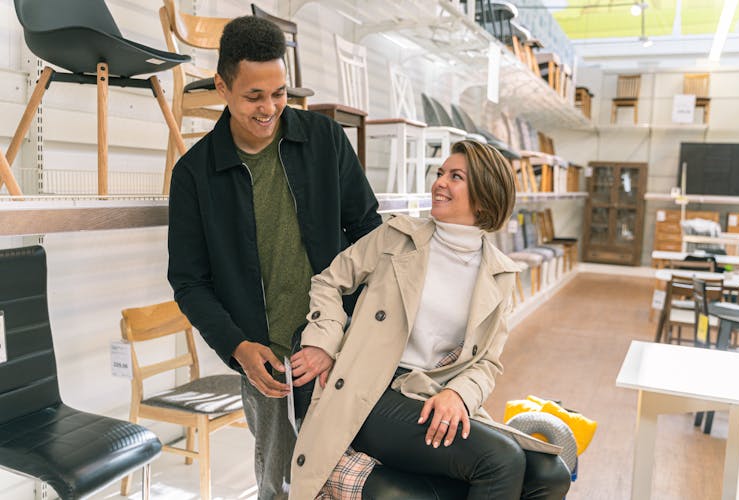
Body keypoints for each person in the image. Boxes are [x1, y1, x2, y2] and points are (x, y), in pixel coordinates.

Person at [166, 15, 381, 500]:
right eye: (254, 96)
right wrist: (238, 347)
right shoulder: (194, 176)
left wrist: (340, 330)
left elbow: (369, 235)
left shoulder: (325, 141)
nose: (270, 109)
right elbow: (188, 281)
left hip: (339, 350)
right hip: (265, 366)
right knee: (279, 487)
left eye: (279, 93)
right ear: (222, 86)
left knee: (355, 481)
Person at [288, 140, 571, 499]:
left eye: (455, 177)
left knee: (551, 474)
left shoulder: (500, 274)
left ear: (485, 196)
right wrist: (323, 341)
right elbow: (329, 282)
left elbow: (487, 363)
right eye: (440, 174)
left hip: (434, 392)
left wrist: (458, 394)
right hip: (373, 390)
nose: (439, 182)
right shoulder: (398, 236)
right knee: (501, 461)